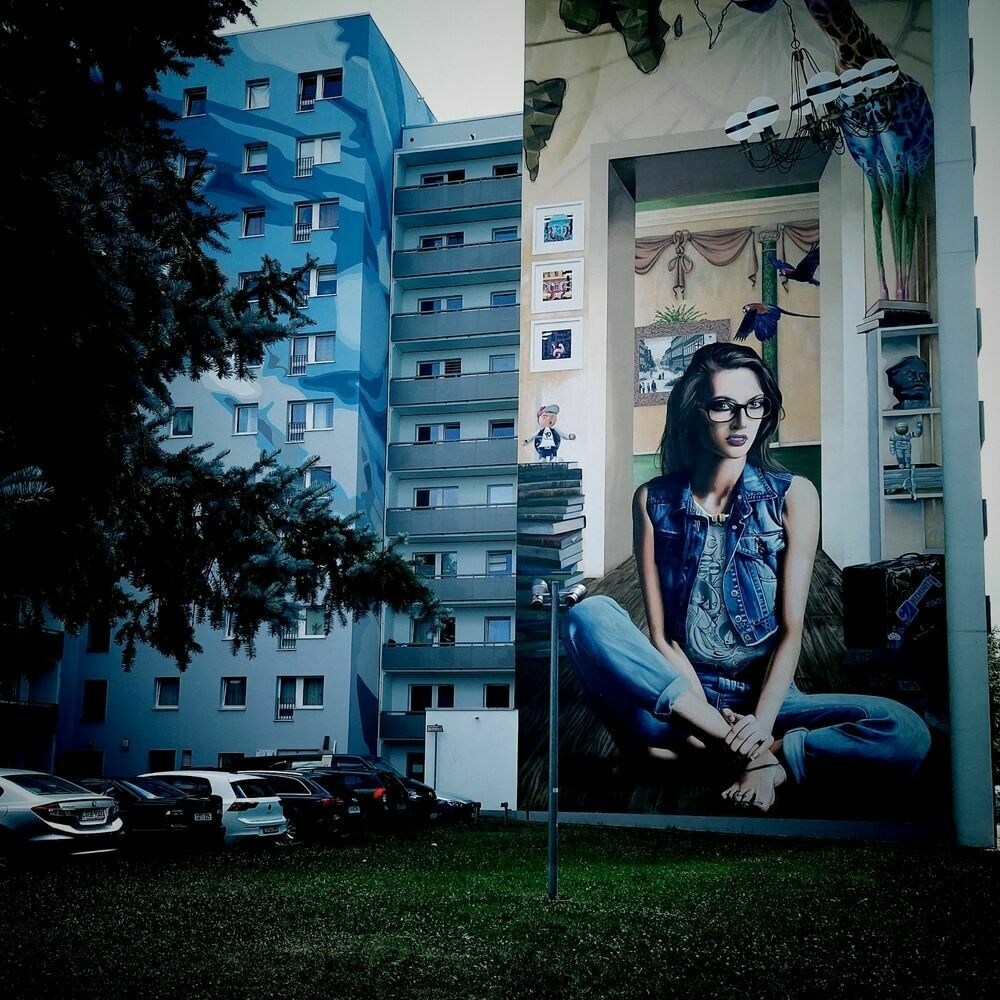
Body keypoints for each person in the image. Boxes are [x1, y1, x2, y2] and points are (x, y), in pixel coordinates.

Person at [562, 342, 930, 813]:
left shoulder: (794, 495)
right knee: (589, 614)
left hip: (767, 700)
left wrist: (759, 725)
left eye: (754, 405)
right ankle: (750, 759)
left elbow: (792, 632)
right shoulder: (652, 500)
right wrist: (715, 725)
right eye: (723, 406)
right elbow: (662, 638)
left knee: (904, 731)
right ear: (695, 409)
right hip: (678, 697)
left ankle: (732, 758)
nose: (742, 422)